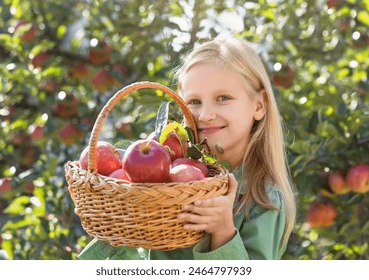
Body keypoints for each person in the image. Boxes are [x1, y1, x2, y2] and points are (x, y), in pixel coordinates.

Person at [69, 36, 296, 260]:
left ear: (259, 105)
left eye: (223, 98)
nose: (206, 115)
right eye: (194, 102)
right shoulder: (166, 166)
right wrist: (108, 211)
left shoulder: (264, 200)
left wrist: (223, 231)